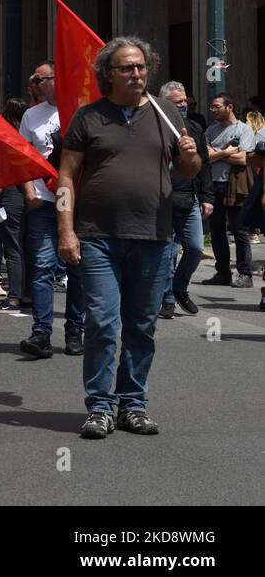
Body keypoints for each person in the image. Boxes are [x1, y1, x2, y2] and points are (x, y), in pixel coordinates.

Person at [58, 38, 200, 438]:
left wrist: (189, 152)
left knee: (141, 326)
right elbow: (67, 175)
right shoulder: (89, 118)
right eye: (126, 68)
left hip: (154, 237)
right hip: (98, 237)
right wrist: (66, 230)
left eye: (140, 67)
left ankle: (132, 405)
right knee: (103, 323)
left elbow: (190, 170)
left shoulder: (167, 113)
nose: (136, 74)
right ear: (108, 74)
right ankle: (100, 407)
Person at [16, 61, 83, 360]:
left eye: (39, 79)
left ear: (57, 80)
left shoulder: (82, 111)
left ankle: (74, 332)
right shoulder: (31, 115)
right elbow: (23, 157)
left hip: (77, 201)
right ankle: (41, 332)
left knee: (77, 267)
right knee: (42, 266)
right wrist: (29, 190)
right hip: (43, 200)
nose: (34, 84)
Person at [153, 83, 212, 319]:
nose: (183, 105)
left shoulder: (196, 128)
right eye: (178, 102)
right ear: (164, 103)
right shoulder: (154, 127)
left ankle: (179, 287)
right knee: (167, 253)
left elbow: (204, 165)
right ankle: (167, 299)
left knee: (196, 248)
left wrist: (208, 198)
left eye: (185, 101)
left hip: (189, 200)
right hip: (163, 200)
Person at [200, 94, 254, 287]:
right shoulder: (211, 130)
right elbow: (204, 156)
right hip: (213, 185)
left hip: (234, 185)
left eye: (216, 106)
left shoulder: (243, 129)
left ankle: (245, 274)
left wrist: (216, 153)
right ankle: (222, 273)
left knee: (239, 230)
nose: (212, 110)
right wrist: (226, 152)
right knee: (216, 231)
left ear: (229, 107)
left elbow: (242, 159)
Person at [0, 98, 33, 316]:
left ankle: (14, 296)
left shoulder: (8, 140)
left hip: (11, 195)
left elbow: (3, 175)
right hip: (30, 194)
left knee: (13, 247)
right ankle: (26, 294)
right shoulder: (27, 137)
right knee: (25, 246)